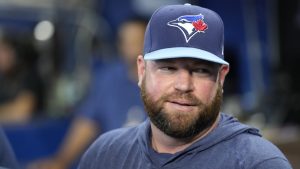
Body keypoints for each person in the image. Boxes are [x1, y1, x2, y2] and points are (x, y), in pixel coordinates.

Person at [78, 4, 292, 169]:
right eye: (168, 68)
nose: (183, 85)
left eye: (200, 70)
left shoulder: (257, 163)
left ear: (221, 78)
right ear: (142, 71)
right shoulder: (106, 154)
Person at [27, 18, 147, 169]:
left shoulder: (164, 80)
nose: (129, 46)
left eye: (136, 40)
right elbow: (87, 122)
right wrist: (61, 161)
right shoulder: (108, 78)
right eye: (125, 41)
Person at [0, 33, 44, 124]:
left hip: (28, 135)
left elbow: (22, 111)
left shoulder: (29, 76)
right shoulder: (3, 79)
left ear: (15, 53)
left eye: (3, 51)